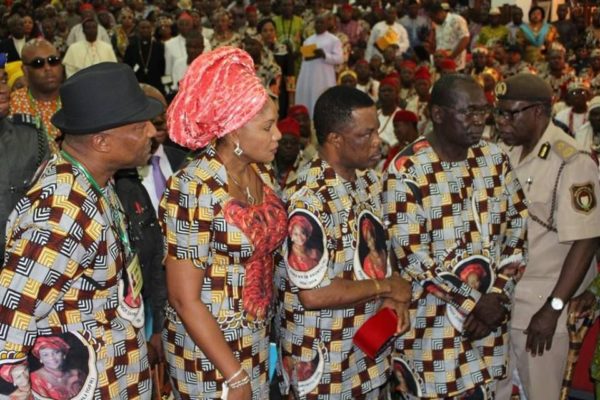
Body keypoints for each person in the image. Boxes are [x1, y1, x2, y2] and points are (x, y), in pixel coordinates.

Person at [0, 62, 163, 398]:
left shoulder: (96, 182)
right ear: (101, 141)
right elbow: (8, 316)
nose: (152, 131)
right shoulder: (62, 210)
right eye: (139, 125)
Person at [384, 74, 528, 399]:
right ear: (438, 114)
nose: (479, 121)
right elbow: (412, 259)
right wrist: (475, 303)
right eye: (469, 112)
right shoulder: (407, 169)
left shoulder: (494, 160)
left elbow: (517, 232)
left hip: (487, 330)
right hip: (431, 335)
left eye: (483, 112)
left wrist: (499, 297)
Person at [159, 46, 287, 400]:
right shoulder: (193, 186)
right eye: (267, 127)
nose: (278, 135)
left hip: (257, 339)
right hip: (209, 353)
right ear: (233, 132)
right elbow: (184, 298)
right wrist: (234, 376)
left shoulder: (262, 173)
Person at [275, 85, 412, 398]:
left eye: (377, 131)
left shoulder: (368, 181)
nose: (378, 142)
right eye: (366, 134)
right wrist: (388, 287)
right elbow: (315, 293)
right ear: (335, 139)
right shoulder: (308, 200)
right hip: (324, 366)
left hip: (367, 354)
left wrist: (394, 296)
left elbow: (382, 256)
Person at [494, 73, 600, 400]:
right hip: (501, 305)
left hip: (541, 308)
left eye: (511, 113)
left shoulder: (571, 161)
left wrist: (554, 307)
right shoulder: (505, 155)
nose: (502, 121)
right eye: (499, 113)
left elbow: (586, 240)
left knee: (541, 394)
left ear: (539, 111)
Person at [9, 39, 63, 151]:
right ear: (25, 71)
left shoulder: (77, 99)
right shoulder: (11, 104)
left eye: (53, 61)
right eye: (38, 63)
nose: (48, 68)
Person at [295, 14, 343, 118]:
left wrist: (324, 55)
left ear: (327, 24)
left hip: (324, 78)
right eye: (317, 22)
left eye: (322, 22)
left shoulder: (333, 40)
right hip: (308, 76)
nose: (319, 24)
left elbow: (339, 58)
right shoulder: (308, 40)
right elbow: (304, 59)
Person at [123, 19, 166, 94]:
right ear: (138, 29)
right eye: (142, 28)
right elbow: (127, 66)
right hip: (137, 85)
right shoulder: (131, 47)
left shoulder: (159, 47)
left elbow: (163, 67)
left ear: (152, 29)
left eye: (148, 27)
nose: (145, 30)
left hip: (156, 85)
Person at [429, 2, 470, 71]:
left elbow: (465, 39)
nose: (432, 20)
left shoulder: (456, 20)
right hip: (441, 66)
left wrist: (451, 57)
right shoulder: (437, 24)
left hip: (456, 64)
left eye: (433, 17)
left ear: (440, 13)